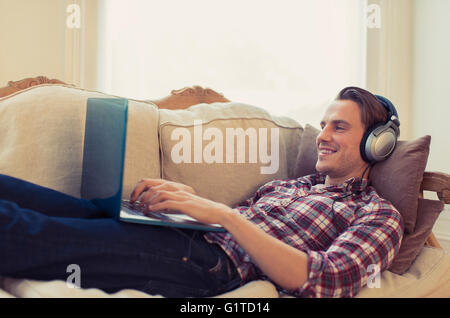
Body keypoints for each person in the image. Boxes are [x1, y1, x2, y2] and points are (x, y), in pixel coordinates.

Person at [0, 86, 403, 298]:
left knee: (28, 230)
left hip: (203, 264)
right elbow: (233, 219)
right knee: (17, 193)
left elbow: (323, 281)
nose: (323, 136)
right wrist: (187, 201)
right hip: (186, 234)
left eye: (340, 127)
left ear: (376, 143)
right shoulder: (292, 186)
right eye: (324, 124)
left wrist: (224, 216)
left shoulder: (377, 214)